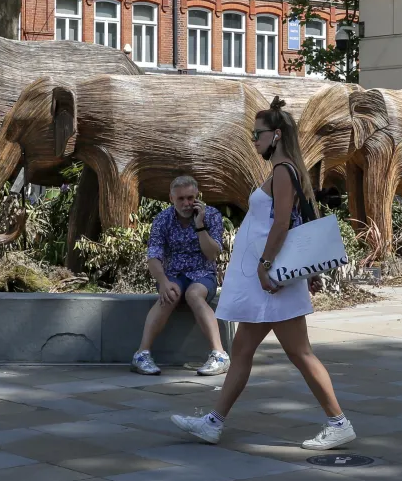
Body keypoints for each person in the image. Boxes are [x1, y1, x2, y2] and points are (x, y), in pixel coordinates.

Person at [170, 96, 355, 451]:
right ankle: (213, 423)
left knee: (299, 353)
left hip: (271, 281)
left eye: (258, 134)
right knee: (242, 350)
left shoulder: (284, 171)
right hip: (270, 282)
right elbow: (294, 220)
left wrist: (265, 264)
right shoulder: (284, 170)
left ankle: (339, 422)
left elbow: (283, 223)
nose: (253, 140)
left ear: (277, 135)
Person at [131, 175, 231, 377]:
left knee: (194, 295)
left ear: (197, 196)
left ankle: (219, 355)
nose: (186, 203)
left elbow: (212, 254)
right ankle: (142, 354)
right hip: (173, 274)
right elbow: (154, 256)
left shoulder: (211, 215)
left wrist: (200, 225)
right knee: (170, 295)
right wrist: (163, 282)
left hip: (203, 273)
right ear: (172, 198)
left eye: (190, 198)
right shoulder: (163, 219)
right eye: (181, 199)